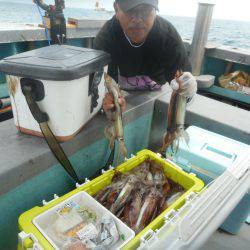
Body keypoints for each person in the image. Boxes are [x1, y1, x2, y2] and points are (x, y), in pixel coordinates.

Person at [94, 0, 197, 112]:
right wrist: (107, 102)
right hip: (118, 90)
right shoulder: (106, 39)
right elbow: (98, 89)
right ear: (116, 9)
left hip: (157, 90)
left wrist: (188, 92)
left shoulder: (168, 38)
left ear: (155, 10)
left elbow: (185, 88)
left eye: (145, 10)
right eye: (130, 10)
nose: (137, 19)